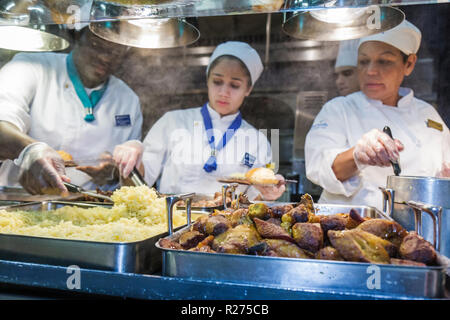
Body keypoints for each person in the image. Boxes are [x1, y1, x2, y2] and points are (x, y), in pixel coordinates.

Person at [305, 20, 450, 210]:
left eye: (384, 61)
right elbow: (320, 169)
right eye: (363, 61)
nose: (370, 71)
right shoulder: (339, 109)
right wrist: (358, 155)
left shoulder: (427, 114)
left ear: (409, 64)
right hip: (351, 229)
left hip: (419, 228)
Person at [113, 41, 285, 200]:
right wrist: (131, 158)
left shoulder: (258, 141)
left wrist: (267, 193)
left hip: (228, 228)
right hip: (172, 220)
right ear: (207, 80)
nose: (224, 92)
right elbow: (142, 178)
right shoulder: (173, 122)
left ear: (248, 89)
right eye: (217, 81)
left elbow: (255, 199)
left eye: (234, 85)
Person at [0, 27, 143, 195]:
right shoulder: (29, 66)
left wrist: (113, 174)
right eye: (97, 45)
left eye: (116, 51)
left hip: (87, 211)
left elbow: (132, 179)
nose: (105, 57)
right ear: (77, 37)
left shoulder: (128, 99)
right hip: (17, 203)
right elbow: (3, 125)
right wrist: (30, 152)